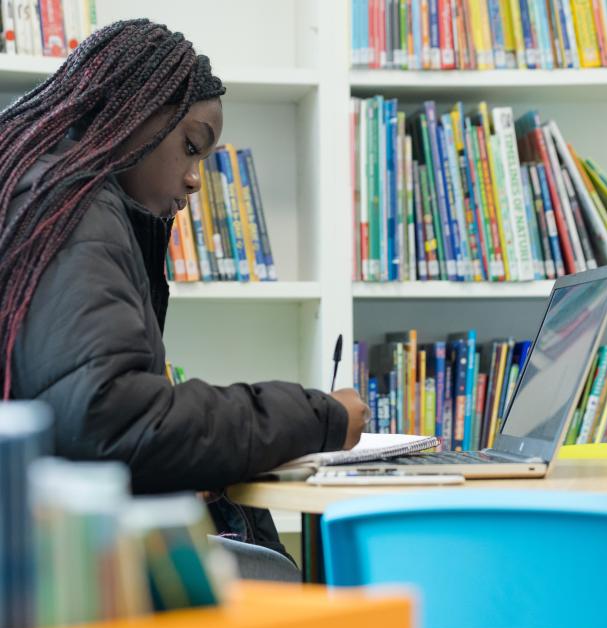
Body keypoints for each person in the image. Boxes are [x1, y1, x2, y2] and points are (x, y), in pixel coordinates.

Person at [0, 19, 369, 579]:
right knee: (282, 582)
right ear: (134, 110)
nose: (196, 180)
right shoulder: (73, 210)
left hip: (40, 540)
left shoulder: (42, 192)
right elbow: (112, 422)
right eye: (192, 147)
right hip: (56, 570)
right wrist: (320, 415)